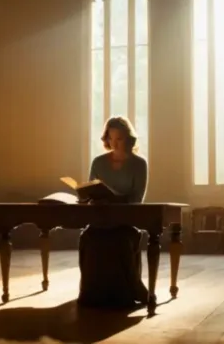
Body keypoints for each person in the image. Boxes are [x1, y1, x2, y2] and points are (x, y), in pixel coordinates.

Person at [78, 116, 149, 309]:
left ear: (129, 138)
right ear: (106, 139)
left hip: (125, 221)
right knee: (89, 238)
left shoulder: (139, 164)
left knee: (120, 240)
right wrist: (90, 198)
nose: (115, 143)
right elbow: (89, 190)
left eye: (120, 138)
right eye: (111, 139)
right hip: (100, 219)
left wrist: (116, 198)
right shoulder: (98, 162)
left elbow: (137, 199)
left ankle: (126, 293)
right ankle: (92, 294)